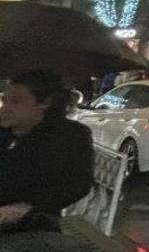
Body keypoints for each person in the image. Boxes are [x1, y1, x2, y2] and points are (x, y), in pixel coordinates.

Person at [0, 70, 95, 232]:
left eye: (16, 101)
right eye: (4, 100)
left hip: (34, 226)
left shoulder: (70, 135)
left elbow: (78, 184)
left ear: (44, 102)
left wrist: (29, 207)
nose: (5, 108)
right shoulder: (4, 132)